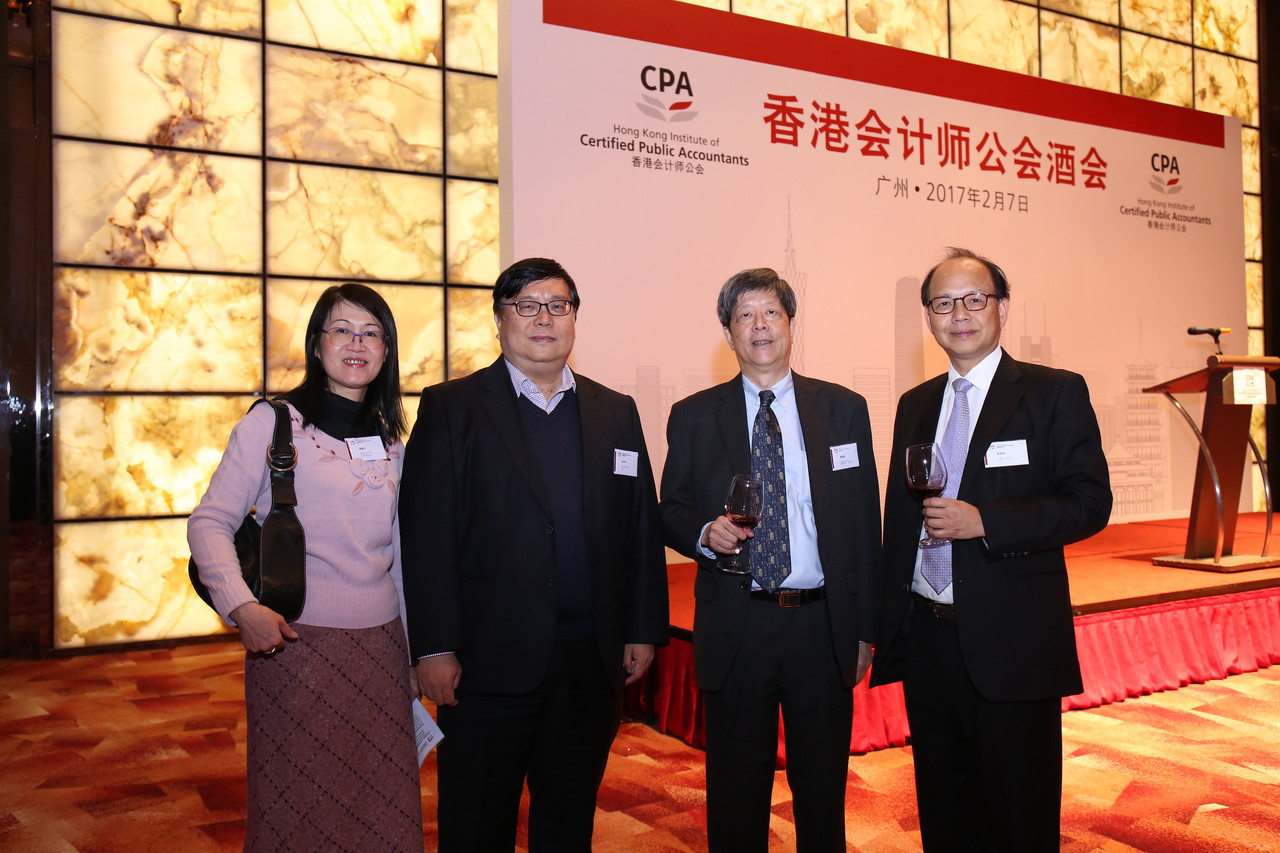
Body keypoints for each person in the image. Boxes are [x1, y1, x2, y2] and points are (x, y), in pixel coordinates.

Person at [399, 257, 668, 852]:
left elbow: (639, 526)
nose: (544, 318)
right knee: (475, 824)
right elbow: (425, 536)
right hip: (486, 663)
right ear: (499, 319)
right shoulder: (452, 407)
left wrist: (642, 628)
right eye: (527, 305)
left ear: (574, 318)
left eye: (558, 305)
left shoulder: (614, 410)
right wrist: (434, 646)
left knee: (569, 821)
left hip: (589, 663)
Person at [871, 248, 1112, 852]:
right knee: (944, 810)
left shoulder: (1053, 393)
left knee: (1018, 815)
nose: (959, 314)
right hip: (928, 640)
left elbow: (1089, 503)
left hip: (1012, 641)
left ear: (1002, 307)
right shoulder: (915, 404)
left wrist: (987, 522)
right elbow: (899, 520)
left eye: (974, 299)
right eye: (943, 304)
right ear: (929, 318)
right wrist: (881, 626)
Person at [188, 283, 421, 851]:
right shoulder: (273, 424)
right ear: (317, 344)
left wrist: (414, 652)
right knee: (298, 804)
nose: (356, 343)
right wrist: (241, 607)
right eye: (342, 330)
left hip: (381, 650)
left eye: (371, 333)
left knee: (382, 804)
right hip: (295, 645)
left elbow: (400, 553)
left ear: (387, 350)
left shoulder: (393, 441)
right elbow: (209, 522)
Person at [660, 268, 881, 852]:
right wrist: (704, 532)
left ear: (791, 324)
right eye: (745, 316)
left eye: (771, 313)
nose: (759, 326)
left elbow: (865, 522)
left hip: (821, 623)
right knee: (736, 790)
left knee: (823, 788)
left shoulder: (843, 408)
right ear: (728, 333)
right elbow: (670, 510)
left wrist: (865, 628)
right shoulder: (694, 415)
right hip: (738, 623)